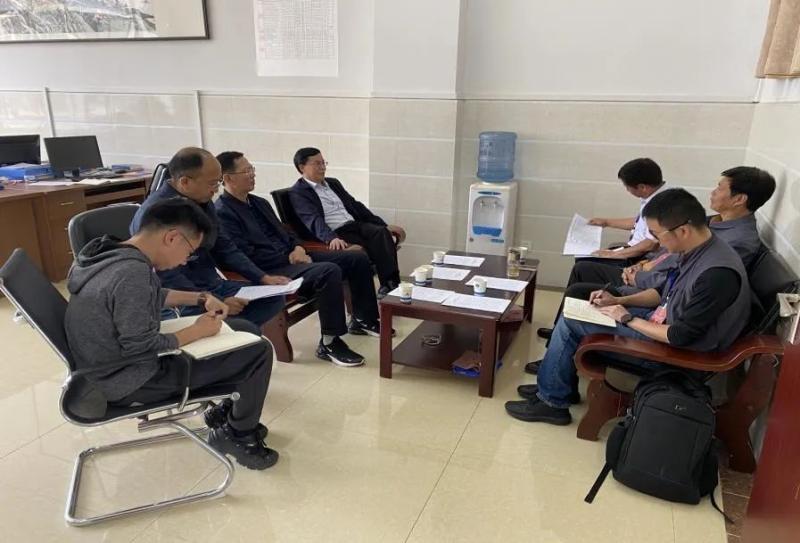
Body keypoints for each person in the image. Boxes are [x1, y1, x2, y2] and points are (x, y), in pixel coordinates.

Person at [506, 188, 751, 425]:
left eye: (657, 234)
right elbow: (662, 294)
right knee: (580, 307)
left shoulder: (717, 274)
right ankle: (558, 387)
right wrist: (618, 301)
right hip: (661, 325)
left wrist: (627, 318)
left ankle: (552, 402)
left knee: (572, 320)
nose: (656, 242)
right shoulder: (698, 250)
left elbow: (680, 336)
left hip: (678, 353)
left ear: (683, 230)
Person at [65, 198, 278, 469]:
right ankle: (237, 436)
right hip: (127, 379)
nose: (185, 260)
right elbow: (142, 347)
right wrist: (196, 331)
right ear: (172, 237)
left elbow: (147, 295)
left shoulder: (109, 252)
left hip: (106, 364)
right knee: (258, 351)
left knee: (242, 330)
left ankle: (229, 414)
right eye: (189, 251)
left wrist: (200, 297)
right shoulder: (132, 273)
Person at [531, 165, 774, 350]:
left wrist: (631, 300)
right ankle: (560, 348)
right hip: (659, 306)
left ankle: (555, 384)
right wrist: (630, 284)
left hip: (670, 333)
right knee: (582, 296)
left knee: (577, 307)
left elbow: (681, 329)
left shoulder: (725, 254)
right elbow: (668, 284)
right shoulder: (709, 229)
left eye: (720, 188)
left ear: (739, 199)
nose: (713, 192)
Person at [215, 151, 387, 367]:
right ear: (228, 178)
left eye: (252, 169)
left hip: (292, 257)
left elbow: (286, 232)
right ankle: (329, 342)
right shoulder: (222, 212)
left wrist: (297, 248)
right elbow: (243, 255)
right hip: (269, 270)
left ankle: (363, 319)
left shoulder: (258, 202)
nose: (253, 174)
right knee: (328, 271)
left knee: (356, 258)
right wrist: (289, 257)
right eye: (246, 171)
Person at [130, 147, 286, 328]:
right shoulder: (157, 214)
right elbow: (167, 277)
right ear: (185, 182)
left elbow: (225, 246)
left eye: (218, 182)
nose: (217, 189)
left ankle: (230, 332)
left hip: (212, 285)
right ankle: (229, 332)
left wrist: (262, 277)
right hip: (181, 297)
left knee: (272, 298)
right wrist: (214, 301)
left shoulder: (202, 200)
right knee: (243, 327)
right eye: (212, 183)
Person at [288, 147, 406, 298]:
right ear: (302, 167)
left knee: (381, 232)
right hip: (337, 232)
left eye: (324, 163)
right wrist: (331, 238)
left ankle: (391, 284)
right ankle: (374, 294)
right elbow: (312, 219)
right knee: (371, 246)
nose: (323, 167)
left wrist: (382, 224)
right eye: (317, 163)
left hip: (354, 225)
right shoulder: (298, 192)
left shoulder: (332, 183)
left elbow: (355, 205)